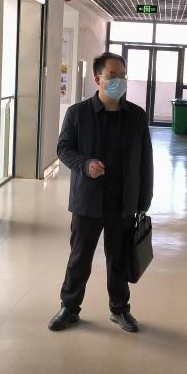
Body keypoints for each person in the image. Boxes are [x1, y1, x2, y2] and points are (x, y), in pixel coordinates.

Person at [48, 52, 154, 333]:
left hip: (123, 201)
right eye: (112, 75)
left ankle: (120, 309)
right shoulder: (78, 113)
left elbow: (145, 159)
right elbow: (63, 149)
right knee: (80, 257)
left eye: (122, 75)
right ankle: (69, 308)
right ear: (98, 79)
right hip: (88, 200)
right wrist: (85, 165)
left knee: (118, 258)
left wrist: (144, 200)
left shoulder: (136, 116)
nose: (119, 80)